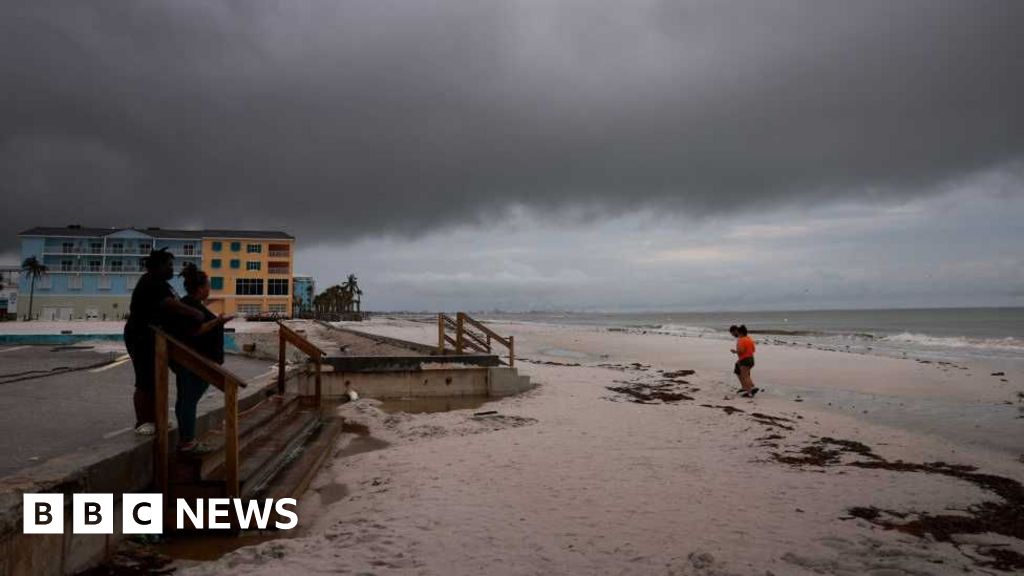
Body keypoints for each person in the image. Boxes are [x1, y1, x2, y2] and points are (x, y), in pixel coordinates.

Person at [124, 248, 204, 435]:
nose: (171, 270)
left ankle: (156, 417)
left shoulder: (163, 284)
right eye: (168, 266)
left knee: (156, 379)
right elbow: (169, 304)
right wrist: (194, 312)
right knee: (145, 380)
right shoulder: (150, 282)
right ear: (158, 266)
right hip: (141, 337)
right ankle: (143, 421)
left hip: (156, 339)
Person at [169, 263, 233, 453]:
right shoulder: (189, 306)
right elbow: (195, 331)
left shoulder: (190, 304)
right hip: (193, 362)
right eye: (207, 286)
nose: (209, 289)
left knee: (186, 399)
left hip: (193, 361)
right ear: (200, 289)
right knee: (188, 399)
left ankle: (186, 439)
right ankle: (187, 440)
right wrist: (218, 322)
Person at [731, 324, 759, 398]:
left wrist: (735, 351)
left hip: (745, 359)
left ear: (740, 333)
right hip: (751, 359)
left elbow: (741, 350)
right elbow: (753, 349)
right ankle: (750, 389)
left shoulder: (741, 340)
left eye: (738, 332)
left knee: (745, 376)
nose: (737, 334)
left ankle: (750, 391)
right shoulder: (749, 339)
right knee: (746, 375)